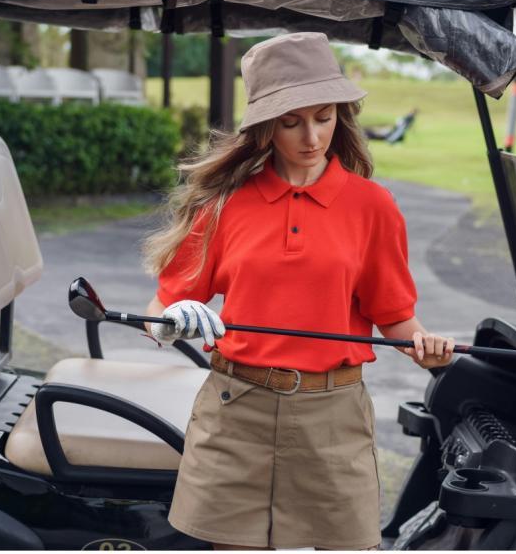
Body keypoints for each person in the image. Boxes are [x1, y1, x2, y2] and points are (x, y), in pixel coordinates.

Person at [141, 32, 455, 551]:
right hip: (235, 411)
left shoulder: (373, 207)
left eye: (324, 116)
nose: (312, 136)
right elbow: (160, 311)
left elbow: (396, 320)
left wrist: (427, 348)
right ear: (266, 127)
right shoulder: (224, 205)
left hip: (332, 417)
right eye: (291, 122)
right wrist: (174, 320)